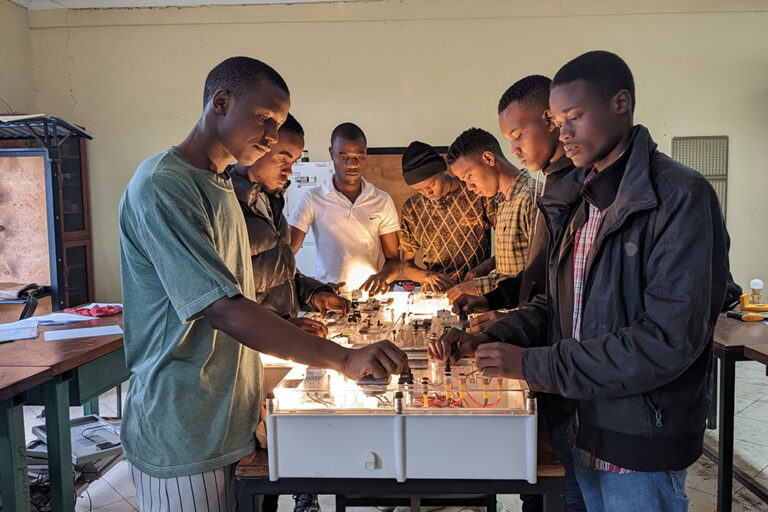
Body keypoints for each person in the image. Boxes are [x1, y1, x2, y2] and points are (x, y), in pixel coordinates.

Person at [433, 51, 728, 512]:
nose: (563, 131)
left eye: (574, 117)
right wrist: (490, 336)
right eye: (556, 119)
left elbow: (666, 340)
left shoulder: (679, 196)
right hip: (578, 422)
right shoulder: (579, 200)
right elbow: (557, 305)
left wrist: (532, 366)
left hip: (637, 440)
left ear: (621, 104)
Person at [119, 57, 408, 512]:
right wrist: (344, 358)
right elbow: (223, 307)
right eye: (265, 118)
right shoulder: (163, 185)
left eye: (278, 123)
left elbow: (248, 293)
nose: (274, 136)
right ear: (220, 102)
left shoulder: (220, 187)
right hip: (187, 428)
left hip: (233, 413)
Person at [455, 75, 585, 512]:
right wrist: (492, 317)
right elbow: (542, 287)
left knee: (569, 484)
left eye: (518, 135)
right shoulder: (553, 188)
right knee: (553, 478)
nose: (569, 134)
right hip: (551, 358)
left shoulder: (556, 193)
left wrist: (522, 350)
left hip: (582, 381)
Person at [230, 113, 349, 339]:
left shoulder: (269, 200)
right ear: (256, 148)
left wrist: (315, 294)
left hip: (278, 342)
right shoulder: (224, 205)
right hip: (252, 345)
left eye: (293, 162)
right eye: (283, 160)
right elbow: (224, 303)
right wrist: (281, 328)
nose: (289, 172)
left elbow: (282, 273)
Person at [289, 123, 400, 294]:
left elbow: (394, 260)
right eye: (343, 156)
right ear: (331, 153)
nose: (352, 164)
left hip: (371, 300)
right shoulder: (312, 198)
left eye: (359, 156)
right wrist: (309, 288)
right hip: (329, 297)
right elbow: (286, 255)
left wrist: (383, 277)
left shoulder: (382, 200)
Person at [444, 128, 537, 301]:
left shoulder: (530, 199)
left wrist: (477, 287)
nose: (469, 187)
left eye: (469, 176)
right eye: (464, 181)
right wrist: (484, 272)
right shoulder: (503, 202)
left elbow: (537, 279)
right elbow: (512, 266)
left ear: (488, 158)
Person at [398, 140, 494, 292]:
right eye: (419, 190)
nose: (427, 194)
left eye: (431, 186)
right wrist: (428, 276)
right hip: (435, 295)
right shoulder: (412, 208)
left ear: (441, 171)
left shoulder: (476, 192)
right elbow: (406, 265)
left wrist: (480, 270)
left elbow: (507, 250)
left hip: (475, 289)